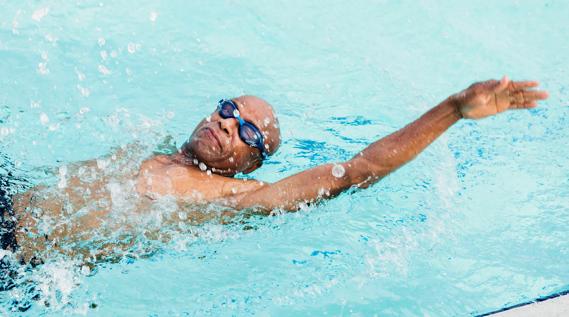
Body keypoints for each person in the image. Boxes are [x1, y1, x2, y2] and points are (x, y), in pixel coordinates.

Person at [1, 76, 548, 269]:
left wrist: (450, 110)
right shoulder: (148, 145)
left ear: (251, 163)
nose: (229, 123)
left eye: (248, 131)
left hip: (21, 259)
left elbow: (355, 170)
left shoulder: (234, 197)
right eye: (229, 109)